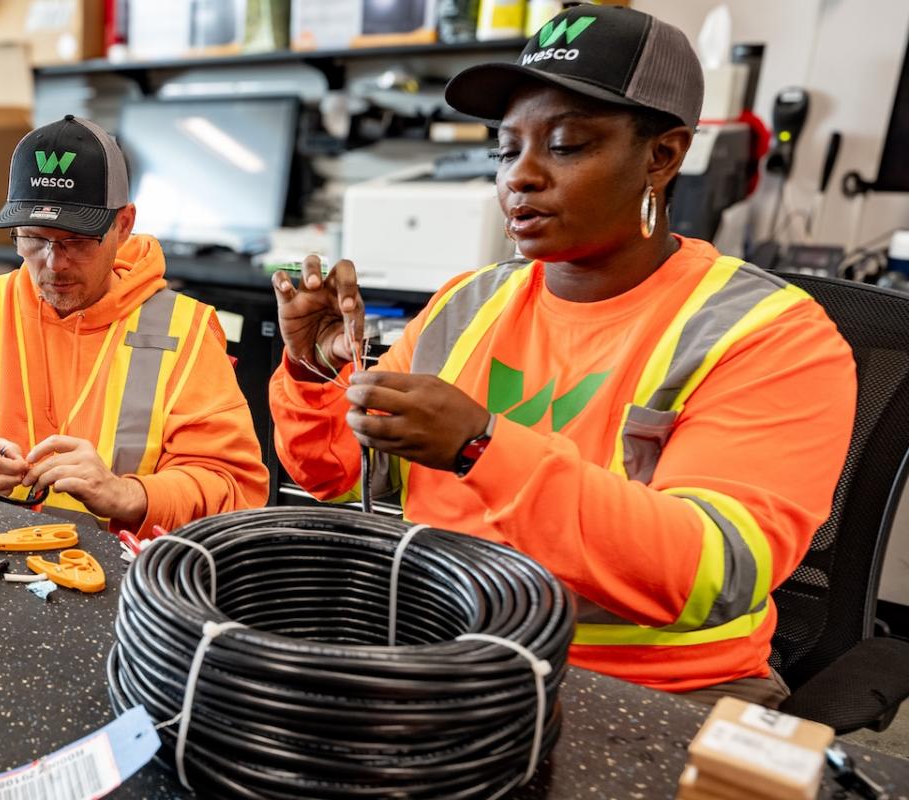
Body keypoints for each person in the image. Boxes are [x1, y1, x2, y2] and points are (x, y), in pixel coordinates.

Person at [269, 5, 855, 706]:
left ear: (661, 156)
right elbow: (339, 480)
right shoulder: (469, 302)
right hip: (454, 653)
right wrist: (313, 373)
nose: (521, 176)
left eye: (567, 145)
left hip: (650, 690)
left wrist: (482, 447)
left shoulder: (768, 334)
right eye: (506, 149)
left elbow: (709, 572)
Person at [0, 115, 268, 533]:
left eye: (77, 241)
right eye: (33, 238)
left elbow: (233, 489)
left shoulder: (185, 332)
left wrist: (125, 495)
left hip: (124, 581)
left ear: (123, 225)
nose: (54, 263)